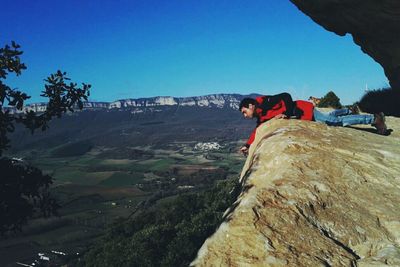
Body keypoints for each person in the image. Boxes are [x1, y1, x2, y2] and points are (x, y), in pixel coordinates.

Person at [239, 93, 387, 155]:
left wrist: (289, 113)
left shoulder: (265, 103)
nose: (245, 116)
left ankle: (374, 119)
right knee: (328, 117)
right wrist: (247, 144)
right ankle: (348, 111)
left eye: (244, 112)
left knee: (333, 122)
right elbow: (257, 130)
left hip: (305, 109)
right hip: (306, 115)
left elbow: (286, 96)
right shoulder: (260, 115)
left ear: (250, 106)